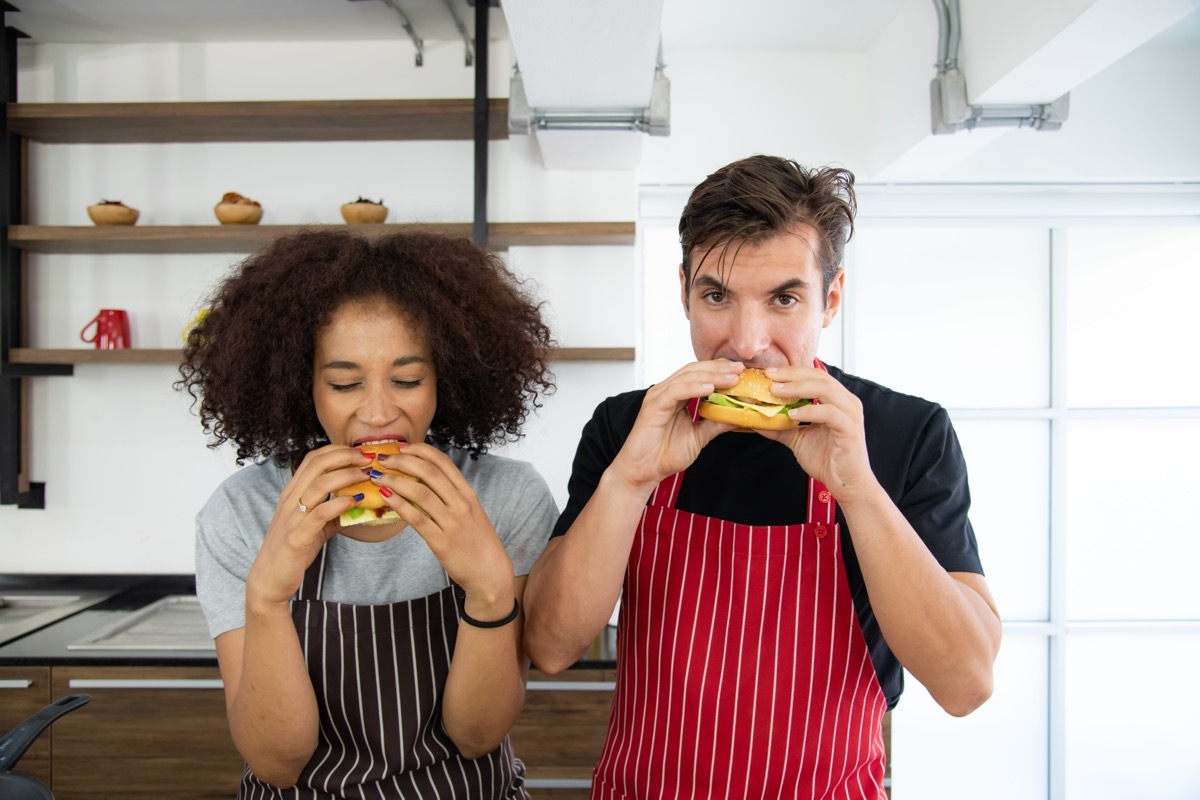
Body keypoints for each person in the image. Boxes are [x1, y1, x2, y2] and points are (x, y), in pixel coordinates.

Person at [521, 155, 1002, 799]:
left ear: (829, 299)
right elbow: (551, 647)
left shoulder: (904, 434)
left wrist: (857, 489)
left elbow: (966, 684)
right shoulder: (627, 426)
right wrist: (630, 480)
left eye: (784, 298)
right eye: (716, 296)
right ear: (683, 291)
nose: (747, 343)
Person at [178, 229, 558, 798]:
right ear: (300, 384)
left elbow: (477, 736)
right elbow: (278, 763)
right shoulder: (241, 513)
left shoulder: (507, 498)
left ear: (445, 378)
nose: (379, 412)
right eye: (344, 382)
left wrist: (488, 590)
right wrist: (266, 597)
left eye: (407, 379)